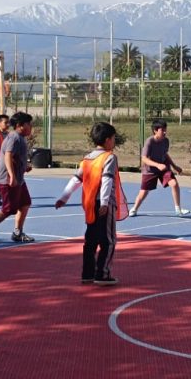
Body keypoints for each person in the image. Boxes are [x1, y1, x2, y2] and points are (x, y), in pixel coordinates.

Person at [55, 122, 128, 286]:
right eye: (114, 138)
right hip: (104, 204)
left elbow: (76, 179)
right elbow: (107, 180)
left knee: (91, 240)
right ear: (108, 140)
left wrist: (64, 197)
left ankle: (87, 273)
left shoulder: (87, 159)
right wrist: (104, 202)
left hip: (89, 204)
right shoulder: (109, 157)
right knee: (108, 240)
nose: (114, 141)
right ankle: (102, 274)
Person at [0, 112, 35, 244]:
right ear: (20, 126)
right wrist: (12, 176)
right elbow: (8, 155)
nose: (31, 126)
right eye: (28, 124)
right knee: (9, 208)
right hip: (7, 179)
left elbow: (14, 157)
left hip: (18, 178)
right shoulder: (14, 137)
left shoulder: (20, 138)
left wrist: (24, 166)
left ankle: (17, 233)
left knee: (25, 203)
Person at [129, 118, 189, 217]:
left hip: (163, 169)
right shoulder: (149, 142)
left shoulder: (166, 141)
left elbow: (165, 154)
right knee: (144, 192)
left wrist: (174, 166)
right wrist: (157, 165)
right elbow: (144, 159)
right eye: (162, 130)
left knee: (174, 184)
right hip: (150, 170)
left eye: (165, 129)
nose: (165, 132)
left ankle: (178, 209)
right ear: (155, 130)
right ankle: (134, 209)